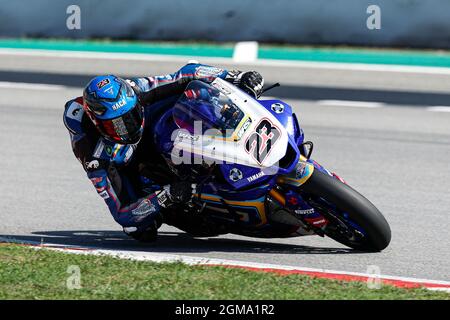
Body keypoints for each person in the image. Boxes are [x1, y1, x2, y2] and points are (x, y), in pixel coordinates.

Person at [63, 63, 264, 242]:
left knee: (201, 97)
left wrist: (235, 77)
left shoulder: (137, 90)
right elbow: (122, 213)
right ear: (98, 124)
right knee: (139, 229)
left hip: (160, 126)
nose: (128, 127)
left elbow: (187, 73)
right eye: (116, 125)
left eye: (130, 116)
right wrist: (165, 196)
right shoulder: (94, 156)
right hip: (131, 163)